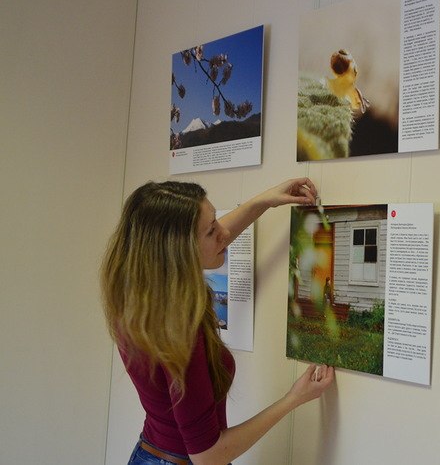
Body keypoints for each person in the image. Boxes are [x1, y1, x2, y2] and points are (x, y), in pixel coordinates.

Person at [101, 178, 335, 465]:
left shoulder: (137, 293)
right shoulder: (178, 326)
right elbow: (208, 456)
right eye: (212, 230)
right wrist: (293, 399)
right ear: (179, 249)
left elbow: (209, 240)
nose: (223, 232)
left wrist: (263, 200)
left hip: (152, 452)